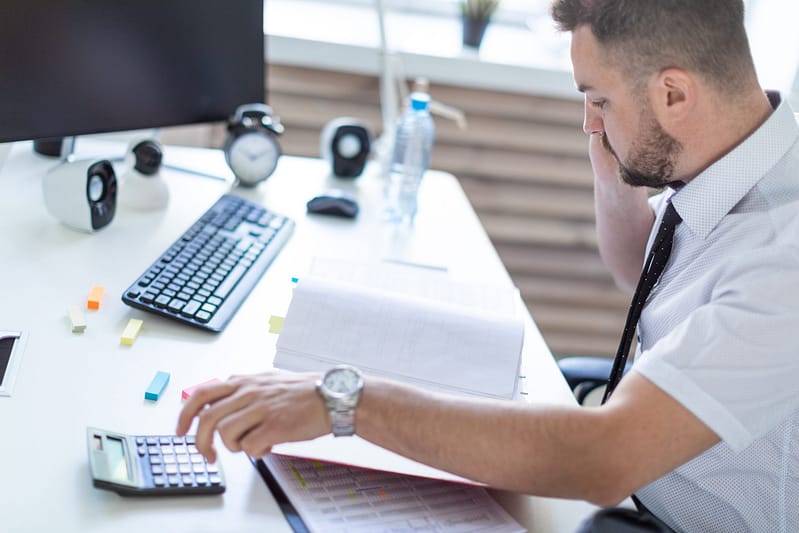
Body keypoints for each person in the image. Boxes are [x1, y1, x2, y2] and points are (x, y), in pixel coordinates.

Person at [177, 1, 799, 530]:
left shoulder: (782, 258)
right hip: (645, 482)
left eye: (599, 100)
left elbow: (605, 460)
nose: (590, 120)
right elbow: (642, 273)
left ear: (673, 94)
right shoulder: (731, 159)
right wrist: (613, 168)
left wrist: (343, 402)